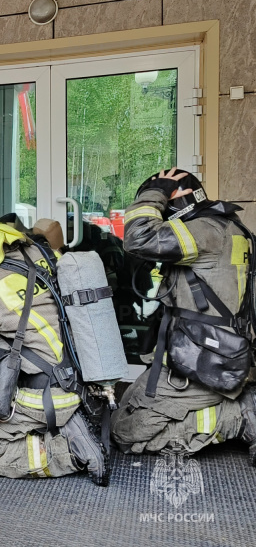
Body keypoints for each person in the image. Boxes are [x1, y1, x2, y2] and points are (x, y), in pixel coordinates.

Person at [0, 207, 109, 485]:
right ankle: (66, 423)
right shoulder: (39, 253)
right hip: (80, 381)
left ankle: (68, 452)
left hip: (39, 397)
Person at [111, 168, 256, 461]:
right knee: (124, 405)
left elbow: (138, 238)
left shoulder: (206, 230)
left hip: (205, 359)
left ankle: (239, 415)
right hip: (201, 349)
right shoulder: (227, 225)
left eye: (164, 203)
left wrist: (157, 191)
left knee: (124, 433)